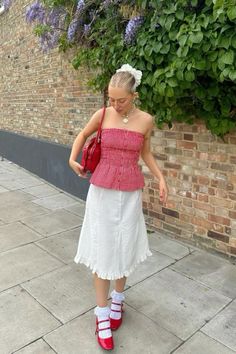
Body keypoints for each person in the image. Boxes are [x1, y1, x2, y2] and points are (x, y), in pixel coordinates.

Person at [69, 64, 168, 351]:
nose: (115, 105)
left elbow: (145, 153)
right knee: (103, 248)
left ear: (133, 95)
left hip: (130, 194)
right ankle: (101, 315)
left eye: (120, 100)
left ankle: (118, 302)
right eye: (111, 99)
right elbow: (82, 135)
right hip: (102, 192)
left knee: (124, 246)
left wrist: (161, 177)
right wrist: (72, 158)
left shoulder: (146, 121)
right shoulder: (102, 114)